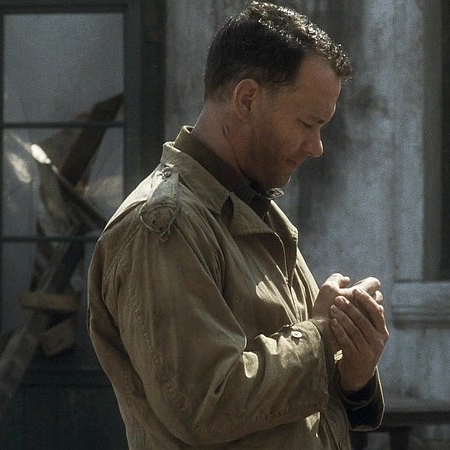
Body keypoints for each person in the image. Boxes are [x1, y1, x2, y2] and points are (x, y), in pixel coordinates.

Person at [87, 2, 389, 448]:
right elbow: (204, 403)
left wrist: (354, 369)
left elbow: (297, 403)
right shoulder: (162, 226)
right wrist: (323, 335)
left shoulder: (254, 209)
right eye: (308, 123)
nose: (317, 147)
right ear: (247, 99)